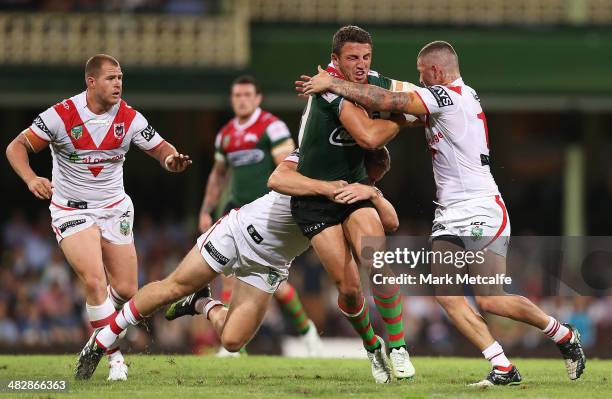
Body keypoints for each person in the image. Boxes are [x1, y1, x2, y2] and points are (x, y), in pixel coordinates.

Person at [298, 40, 586, 386]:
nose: (421, 82)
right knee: (447, 296)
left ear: (435, 72)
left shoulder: (448, 96)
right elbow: (395, 110)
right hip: (449, 212)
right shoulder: (454, 97)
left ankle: (564, 336)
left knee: (491, 299)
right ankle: (503, 367)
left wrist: (333, 84)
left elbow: (388, 100)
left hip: (481, 206)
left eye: (423, 76)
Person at [75, 148, 399, 381]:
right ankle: (102, 340)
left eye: (375, 178)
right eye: (371, 175)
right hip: (239, 232)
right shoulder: (316, 158)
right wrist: (327, 187)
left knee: (232, 341)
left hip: (270, 264)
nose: (370, 180)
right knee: (172, 287)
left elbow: (391, 222)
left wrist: (372, 192)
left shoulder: (360, 196)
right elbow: (277, 178)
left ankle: (201, 302)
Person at [5, 54, 192, 381]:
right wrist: (30, 178)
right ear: (91, 82)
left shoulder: (129, 118)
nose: (118, 83)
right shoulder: (61, 116)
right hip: (71, 210)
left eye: (120, 77)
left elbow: (161, 148)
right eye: (110, 78)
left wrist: (171, 161)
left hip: (114, 208)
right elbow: (16, 147)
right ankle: (115, 359)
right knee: (95, 282)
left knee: (125, 289)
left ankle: (98, 333)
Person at [288, 25, 417, 383]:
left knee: (376, 261)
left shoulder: (372, 80)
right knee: (348, 289)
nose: (361, 65)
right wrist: (401, 118)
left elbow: (420, 99)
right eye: (352, 58)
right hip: (315, 196)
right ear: (335, 60)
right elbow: (368, 135)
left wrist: (417, 105)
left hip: (355, 190)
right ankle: (373, 347)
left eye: (366, 57)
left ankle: (399, 346)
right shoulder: (325, 86)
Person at [198, 75, 321, 356]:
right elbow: (218, 175)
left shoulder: (272, 127)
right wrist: (206, 209)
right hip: (236, 210)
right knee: (228, 275)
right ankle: (233, 349)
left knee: (276, 285)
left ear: (257, 98)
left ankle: (306, 330)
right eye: (237, 96)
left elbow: (290, 166)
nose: (241, 100)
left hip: (268, 214)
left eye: (246, 95)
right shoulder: (225, 134)